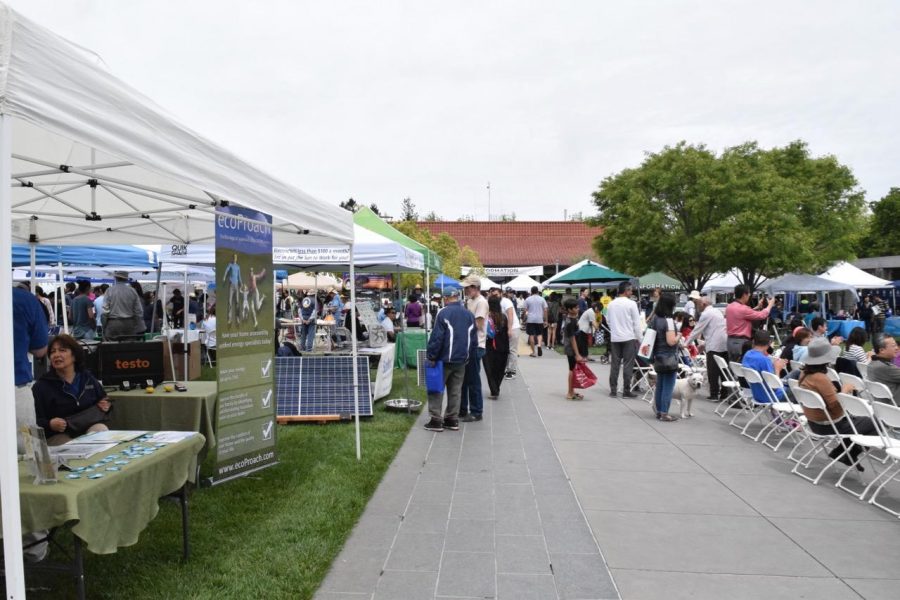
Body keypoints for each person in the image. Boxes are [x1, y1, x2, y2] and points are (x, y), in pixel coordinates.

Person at [799, 337, 876, 469]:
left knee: (862, 421)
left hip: (813, 422)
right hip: (829, 425)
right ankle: (848, 453)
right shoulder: (821, 378)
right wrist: (844, 391)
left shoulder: (804, 374)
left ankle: (844, 452)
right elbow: (835, 406)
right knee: (876, 422)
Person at [13, 283, 50, 562]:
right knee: (35, 462)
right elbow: (40, 350)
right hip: (16, 390)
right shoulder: (25, 299)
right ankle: (35, 546)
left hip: (17, 387)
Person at [33, 334, 111, 446]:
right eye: (53, 352)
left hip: (87, 429)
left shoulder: (87, 378)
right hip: (57, 435)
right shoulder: (41, 386)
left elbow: (104, 400)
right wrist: (50, 424)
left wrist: (106, 405)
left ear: (74, 356)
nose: (56, 355)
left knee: (101, 429)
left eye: (62, 350)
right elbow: (34, 421)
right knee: (71, 447)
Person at [423, 287, 476, 432]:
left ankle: (436, 420)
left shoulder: (443, 313)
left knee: (436, 389)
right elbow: (473, 340)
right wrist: (468, 357)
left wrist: (431, 356)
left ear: (446, 298)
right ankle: (452, 419)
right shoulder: (469, 315)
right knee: (455, 390)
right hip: (461, 359)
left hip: (443, 359)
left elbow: (437, 338)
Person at [606, 282, 643, 398]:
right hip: (628, 337)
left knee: (615, 364)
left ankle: (613, 390)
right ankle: (626, 390)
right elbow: (637, 324)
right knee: (628, 364)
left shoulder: (611, 304)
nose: (631, 293)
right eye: (630, 290)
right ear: (626, 291)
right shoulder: (631, 304)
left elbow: (608, 320)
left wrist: (615, 329)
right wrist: (640, 339)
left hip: (615, 337)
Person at [687, 296, 728, 400]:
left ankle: (714, 394)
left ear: (703, 304)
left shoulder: (706, 314)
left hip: (714, 345)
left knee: (713, 371)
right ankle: (724, 394)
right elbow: (715, 330)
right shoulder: (717, 311)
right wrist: (704, 344)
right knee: (724, 370)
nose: (697, 306)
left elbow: (697, 330)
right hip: (724, 343)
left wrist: (686, 343)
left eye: (698, 304)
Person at [646, 292, 679, 421]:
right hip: (669, 357)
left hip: (657, 355)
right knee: (668, 386)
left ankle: (659, 410)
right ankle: (664, 412)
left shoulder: (656, 319)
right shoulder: (669, 321)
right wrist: (679, 336)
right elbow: (671, 341)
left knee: (660, 384)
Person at [460, 275, 488, 422]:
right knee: (464, 379)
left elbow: (479, 324)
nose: (465, 290)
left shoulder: (481, 302)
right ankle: (463, 408)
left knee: (473, 380)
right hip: (468, 344)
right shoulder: (470, 301)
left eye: (467, 287)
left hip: (476, 344)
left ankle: (477, 411)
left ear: (475, 288)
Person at [725, 284, 771, 361]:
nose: (749, 295)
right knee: (742, 367)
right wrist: (770, 305)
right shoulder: (744, 309)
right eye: (748, 293)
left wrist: (757, 307)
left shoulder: (729, 306)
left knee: (733, 366)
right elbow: (762, 315)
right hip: (741, 343)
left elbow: (741, 314)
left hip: (730, 341)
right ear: (744, 295)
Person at [741, 330, 786, 403]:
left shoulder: (748, 354)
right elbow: (774, 386)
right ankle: (776, 410)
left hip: (756, 394)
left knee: (791, 379)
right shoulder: (764, 360)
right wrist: (777, 368)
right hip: (771, 396)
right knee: (796, 391)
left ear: (753, 341)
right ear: (769, 343)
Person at [102, 271, 146, 340]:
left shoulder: (109, 290)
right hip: (129, 324)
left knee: (111, 347)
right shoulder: (132, 291)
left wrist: (104, 325)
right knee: (128, 347)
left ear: (115, 277)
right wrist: (139, 325)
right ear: (126, 279)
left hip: (113, 323)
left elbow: (105, 311)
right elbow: (139, 311)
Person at [483, 296, 509, 399]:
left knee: (490, 369)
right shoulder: (503, 317)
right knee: (500, 369)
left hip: (490, 346)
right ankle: (496, 387)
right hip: (503, 346)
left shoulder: (488, 317)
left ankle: (494, 390)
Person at [560, 298, 587, 399]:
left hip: (572, 348)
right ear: (570, 310)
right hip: (571, 349)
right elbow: (572, 339)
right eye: (576, 308)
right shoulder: (570, 322)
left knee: (573, 369)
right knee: (572, 369)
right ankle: (569, 393)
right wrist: (577, 354)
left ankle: (572, 391)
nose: (578, 309)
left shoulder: (572, 319)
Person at [868, 335, 900, 403]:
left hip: (882, 405)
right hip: (894, 405)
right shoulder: (885, 367)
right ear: (882, 350)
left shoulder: (872, 363)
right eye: (893, 346)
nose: (897, 348)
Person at [501, 287, 521, 379]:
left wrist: (509, 329)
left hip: (513, 328)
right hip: (508, 328)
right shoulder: (499, 302)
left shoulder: (506, 301)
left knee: (512, 350)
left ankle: (512, 371)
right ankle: (507, 369)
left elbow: (510, 315)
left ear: (501, 293)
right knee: (508, 349)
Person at [523, 286, 548, 357]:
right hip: (539, 319)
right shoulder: (542, 299)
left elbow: (525, 311)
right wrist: (546, 320)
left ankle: (533, 352)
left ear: (531, 291)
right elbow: (545, 310)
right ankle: (539, 345)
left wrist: (524, 319)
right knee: (539, 334)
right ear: (537, 291)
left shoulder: (527, 299)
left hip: (530, 319)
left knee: (531, 335)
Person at [222, 253, 243, 325]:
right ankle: (229, 319)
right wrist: (224, 277)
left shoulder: (238, 266)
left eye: (236, 257)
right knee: (230, 302)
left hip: (236, 285)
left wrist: (241, 283)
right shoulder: (230, 265)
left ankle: (237, 318)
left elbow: (239, 276)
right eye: (233, 257)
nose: (234, 258)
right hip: (231, 284)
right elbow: (226, 271)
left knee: (237, 302)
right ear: (232, 258)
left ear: (237, 258)